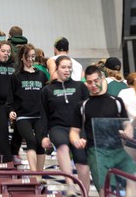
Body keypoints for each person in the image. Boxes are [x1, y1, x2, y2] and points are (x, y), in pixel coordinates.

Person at [69, 65, 136, 197]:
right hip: (97, 152)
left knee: (133, 178)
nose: (93, 85)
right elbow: (73, 132)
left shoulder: (116, 101)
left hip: (117, 149)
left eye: (96, 81)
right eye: (89, 82)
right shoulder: (82, 106)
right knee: (104, 189)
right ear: (86, 83)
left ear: (102, 79)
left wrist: (129, 130)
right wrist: (76, 141)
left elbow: (126, 123)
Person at [40, 56, 90, 196]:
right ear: (56, 68)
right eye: (63, 67)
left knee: (82, 162)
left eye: (69, 67)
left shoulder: (80, 86)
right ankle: (70, 188)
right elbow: (44, 115)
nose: (67, 70)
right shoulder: (47, 90)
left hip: (78, 128)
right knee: (62, 146)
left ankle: (84, 192)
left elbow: (88, 110)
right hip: (57, 126)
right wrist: (44, 136)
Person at [6, 44, 47, 176]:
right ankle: (34, 173)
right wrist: (10, 111)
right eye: (28, 56)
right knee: (31, 140)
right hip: (23, 116)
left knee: (41, 143)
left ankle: (40, 174)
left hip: (39, 115)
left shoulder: (41, 75)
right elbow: (10, 97)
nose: (30, 59)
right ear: (22, 58)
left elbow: (47, 96)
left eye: (33, 56)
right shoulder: (16, 76)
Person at [118, 72, 136, 162]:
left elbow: (121, 110)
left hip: (132, 129)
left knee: (129, 164)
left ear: (127, 82)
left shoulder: (124, 93)